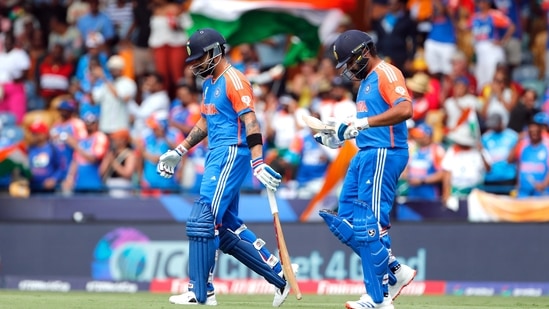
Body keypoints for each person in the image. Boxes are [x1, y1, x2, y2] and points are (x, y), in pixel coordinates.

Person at [156, 28, 296, 307]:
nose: (195, 64)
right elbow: (206, 122)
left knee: (203, 219)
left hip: (232, 151)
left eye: (199, 58)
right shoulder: (210, 82)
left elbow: (251, 122)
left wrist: (257, 160)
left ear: (215, 51)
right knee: (226, 227)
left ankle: (201, 291)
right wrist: (180, 150)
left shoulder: (235, 80)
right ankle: (280, 277)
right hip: (217, 152)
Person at [314, 29, 416, 309]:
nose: (347, 68)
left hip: (384, 153)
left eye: (348, 61)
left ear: (364, 52)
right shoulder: (366, 82)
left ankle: (379, 298)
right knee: (346, 220)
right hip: (366, 153)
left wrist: (364, 124)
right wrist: (339, 135)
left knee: (370, 224)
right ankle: (394, 269)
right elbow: (365, 124)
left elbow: (405, 109)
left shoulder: (387, 73)